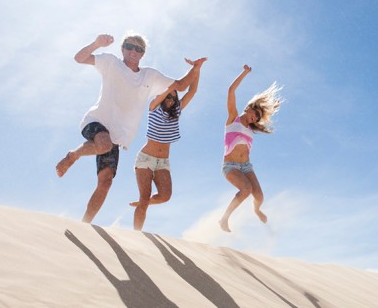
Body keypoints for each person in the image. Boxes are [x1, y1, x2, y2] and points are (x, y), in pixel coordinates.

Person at [55, 32, 205, 224]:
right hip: (96, 121)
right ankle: (73, 156)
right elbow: (79, 58)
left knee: (106, 181)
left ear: (142, 54)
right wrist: (96, 43)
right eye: (130, 46)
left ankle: (85, 224)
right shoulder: (111, 62)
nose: (134, 51)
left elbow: (182, 86)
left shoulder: (149, 75)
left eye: (139, 48)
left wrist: (196, 68)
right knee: (104, 144)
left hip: (117, 138)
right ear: (123, 48)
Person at [130, 58, 205, 231]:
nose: (171, 99)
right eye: (168, 95)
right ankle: (135, 234)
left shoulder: (176, 112)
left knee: (165, 196)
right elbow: (173, 87)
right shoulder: (154, 106)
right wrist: (174, 86)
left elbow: (193, 91)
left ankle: (143, 202)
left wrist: (197, 69)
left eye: (174, 97)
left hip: (163, 162)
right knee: (145, 196)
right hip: (146, 159)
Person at [219, 65, 282, 232]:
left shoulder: (251, 129)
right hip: (231, 166)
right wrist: (244, 73)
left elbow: (262, 118)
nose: (256, 117)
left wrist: (271, 109)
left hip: (246, 167)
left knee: (259, 196)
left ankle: (256, 210)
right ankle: (224, 219)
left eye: (258, 117)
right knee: (246, 189)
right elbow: (231, 90)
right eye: (255, 113)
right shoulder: (233, 119)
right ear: (248, 108)